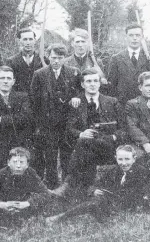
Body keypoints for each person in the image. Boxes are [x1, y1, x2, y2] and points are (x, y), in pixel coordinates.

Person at [52, 68, 127, 196]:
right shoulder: (76, 103)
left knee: (83, 144)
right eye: (88, 81)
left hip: (107, 145)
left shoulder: (112, 102)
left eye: (95, 81)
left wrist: (113, 137)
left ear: (99, 83)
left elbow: (124, 128)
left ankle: (68, 184)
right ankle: (85, 189)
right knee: (84, 142)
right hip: (85, 147)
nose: (92, 84)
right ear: (82, 84)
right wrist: (81, 133)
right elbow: (69, 128)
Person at [45, 145, 149, 224]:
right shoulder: (114, 170)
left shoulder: (141, 172)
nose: (124, 163)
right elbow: (96, 184)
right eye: (120, 159)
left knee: (95, 204)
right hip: (110, 201)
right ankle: (62, 217)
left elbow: (136, 194)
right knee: (94, 202)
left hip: (128, 205)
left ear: (134, 159)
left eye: (127, 159)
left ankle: (60, 217)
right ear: (116, 158)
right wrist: (94, 190)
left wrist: (111, 196)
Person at [29, 43, 81, 188]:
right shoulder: (39, 74)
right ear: (48, 57)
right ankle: (51, 188)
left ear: (65, 58)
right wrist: (39, 124)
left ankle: (66, 187)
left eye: (60, 58)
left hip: (67, 124)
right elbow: (34, 100)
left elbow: (79, 92)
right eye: (53, 58)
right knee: (50, 158)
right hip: (48, 124)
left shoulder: (73, 72)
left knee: (67, 157)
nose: (56, 61)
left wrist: (76, 97)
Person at [0, 147, 51, 225]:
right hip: (3, 210)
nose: (18, 166)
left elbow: (46, 194)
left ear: (27, 164)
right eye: (15, 162)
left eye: (21, 162)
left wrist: (27, 203)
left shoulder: (31, 173)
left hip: (23, 209)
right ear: (8, 163)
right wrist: (1, 204)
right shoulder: (1, 174)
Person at [0, 66, 33, 178]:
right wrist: (13, 119)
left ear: (13, 81)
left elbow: (25, 118)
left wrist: (1, 119)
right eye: (2, 78)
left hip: (19, 141)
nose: (5, 81)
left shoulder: (22, 97)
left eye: (9, 78)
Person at [107, 24, 150, 105]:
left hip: (145, 104)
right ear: (126, 37)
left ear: (142, 37)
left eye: (137, 35)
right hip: (123, 104)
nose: (134, 38)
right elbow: (112, 86)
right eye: (131, 35)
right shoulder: (116, 58)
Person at [5, 28, 45, 93]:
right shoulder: (11, 61)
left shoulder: (44, 60)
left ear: (35, 40)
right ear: (19, 41)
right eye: (25, 39)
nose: (28, 43)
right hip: (19, 100)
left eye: (30, 39)